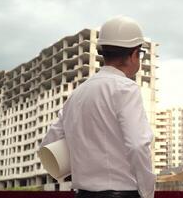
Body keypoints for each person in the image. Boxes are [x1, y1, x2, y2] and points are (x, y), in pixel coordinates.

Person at [39, 16, 155, 198]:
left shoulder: (78, 93)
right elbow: (138, 145)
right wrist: (147, 193)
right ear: (134, 54)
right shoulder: (125, 88)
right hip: (121, 194)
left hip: (82, 194)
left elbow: (49, 144)